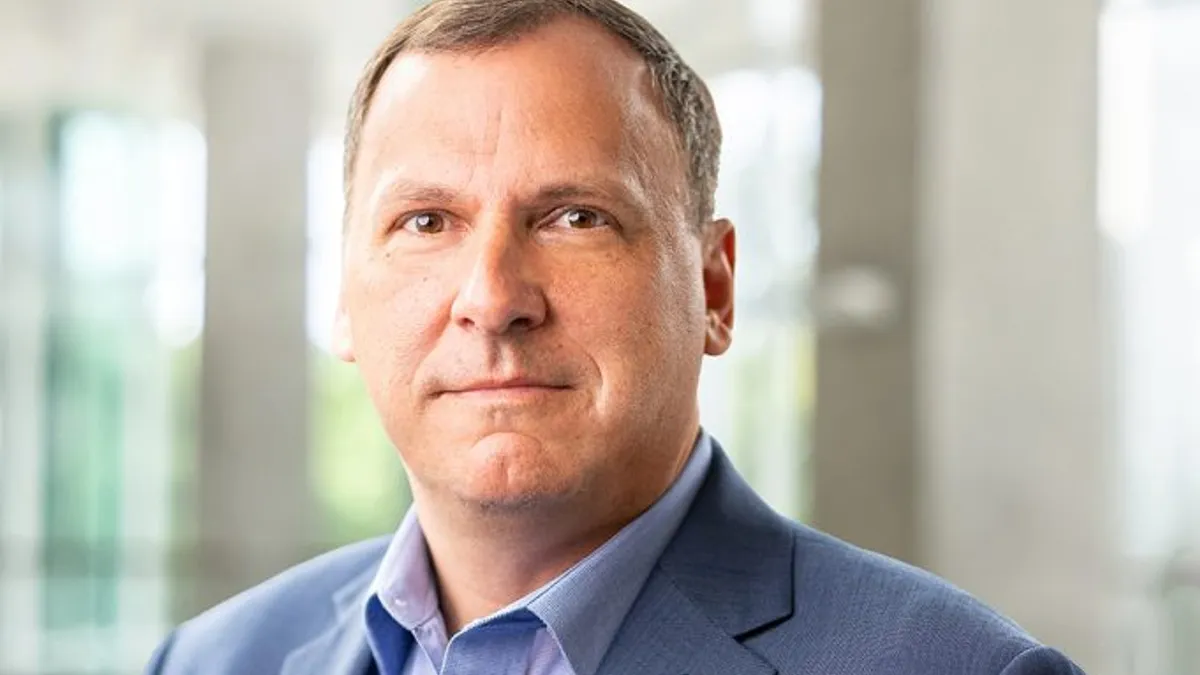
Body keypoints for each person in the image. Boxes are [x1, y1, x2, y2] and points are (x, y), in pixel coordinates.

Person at [145, 0, 1086, 673]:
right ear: (344, 298)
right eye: (427, 222)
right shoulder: (212, 659)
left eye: (576, 218)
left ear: (714, 289)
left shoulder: (947, 666)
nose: (493, 297)